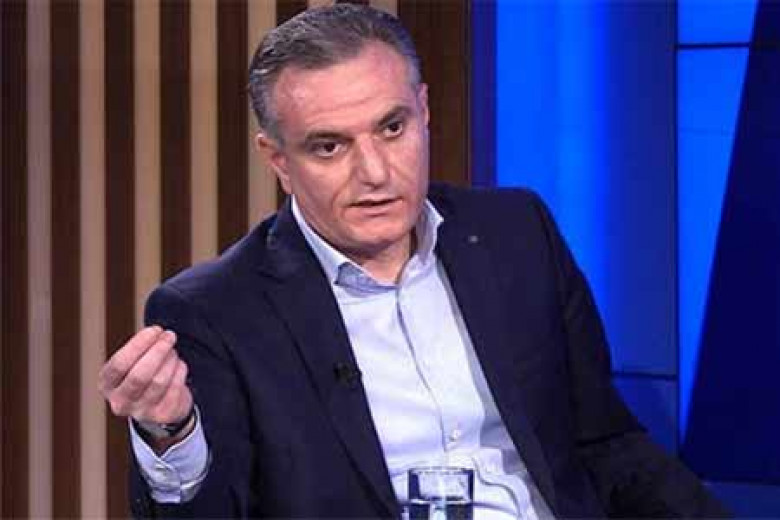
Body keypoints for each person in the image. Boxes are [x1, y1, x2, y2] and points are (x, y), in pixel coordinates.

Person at [99, 4, 728, 519]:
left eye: (392, 128)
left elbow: (607, 444)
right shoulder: (217, 311)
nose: (374, 172)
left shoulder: (516, 234)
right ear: (278, 160)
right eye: (329, 146)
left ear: (424, 112)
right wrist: (171, 435)